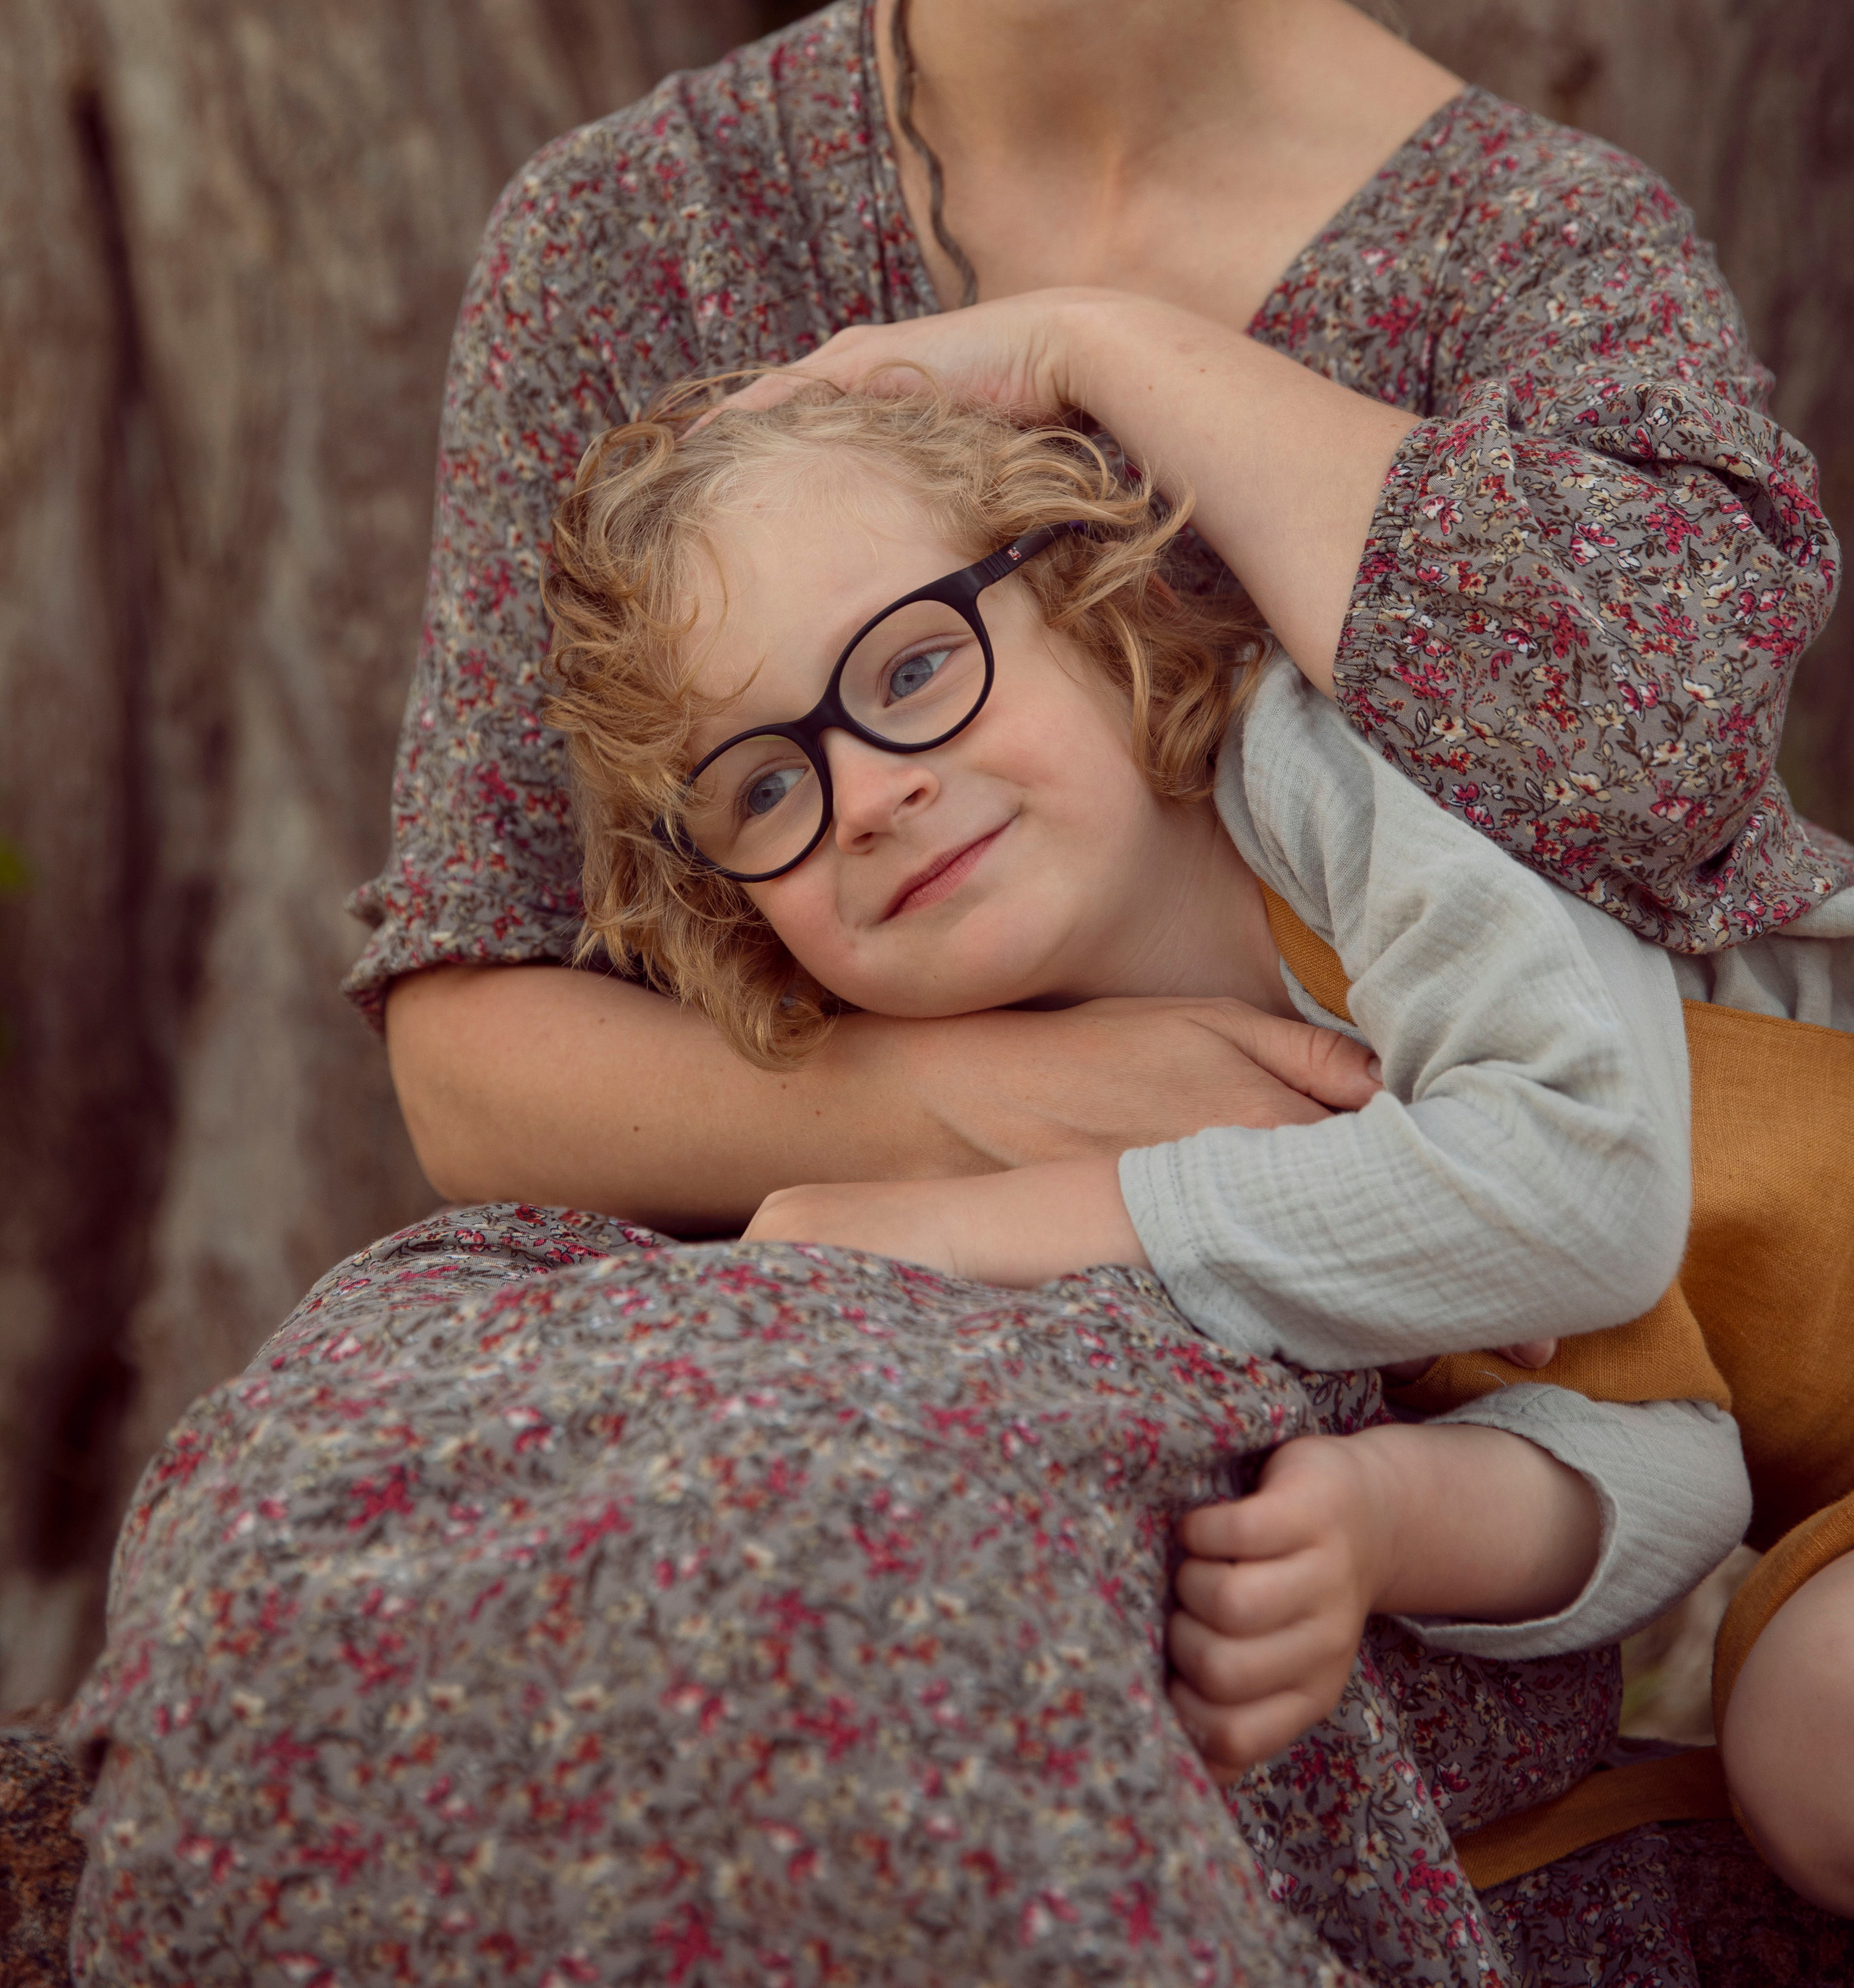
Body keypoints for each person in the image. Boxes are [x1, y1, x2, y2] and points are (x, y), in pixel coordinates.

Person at [64, 0, 1853, 1981]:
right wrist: (997, 1125)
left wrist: (1115, 351)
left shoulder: (1541, 257)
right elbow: (490, 1044)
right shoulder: (633, 236)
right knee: (335, 1539)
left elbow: (1633, 749)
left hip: (1641, 1366)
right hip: (945, 1302)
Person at [545, 374, 1757, 1770]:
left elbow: (1585, 1200)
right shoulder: (1021, 1116)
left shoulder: (1341, 769)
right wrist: (1386, 1515)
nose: (867, 796)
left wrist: (1006, 1221)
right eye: (762, 788)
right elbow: (1692, 1453)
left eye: (915, 666)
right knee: (1808, 1749)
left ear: (1080, 595)